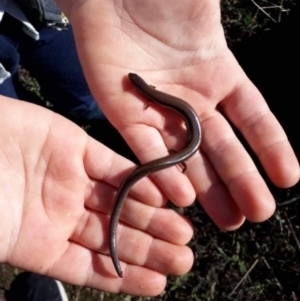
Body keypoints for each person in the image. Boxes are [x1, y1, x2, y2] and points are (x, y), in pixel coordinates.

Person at [0, 0, 299, 298]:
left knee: (86, 98)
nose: (133, 85)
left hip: (39, 12)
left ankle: (88, 113)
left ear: (142, 90)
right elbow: (149, 94)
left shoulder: (148, 93)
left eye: (136, 85)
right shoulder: (148, 93)